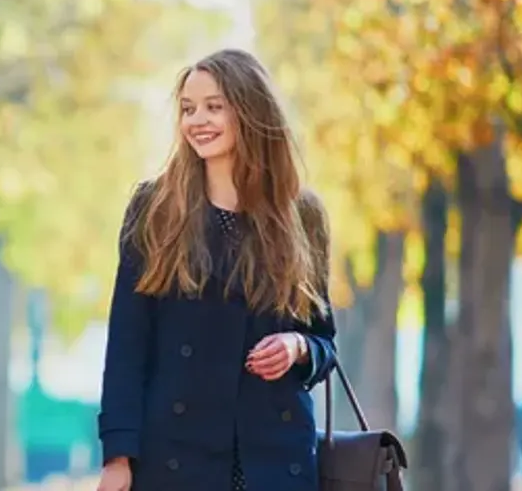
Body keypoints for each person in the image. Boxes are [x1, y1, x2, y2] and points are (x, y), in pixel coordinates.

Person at [94, 49, 340, 491]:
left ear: (250, 110)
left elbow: (325, 341)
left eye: (213, 106)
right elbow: (127, 345)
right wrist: (117, 457)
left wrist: (298, 345)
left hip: (274, 458)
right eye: (188, 109)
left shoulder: (302, 216)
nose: (196, 121)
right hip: (175, 457)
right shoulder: (156, 209)